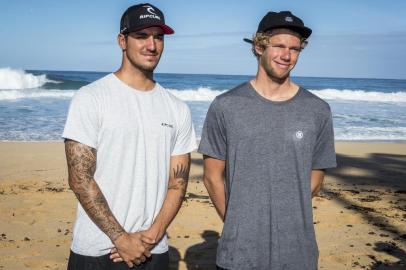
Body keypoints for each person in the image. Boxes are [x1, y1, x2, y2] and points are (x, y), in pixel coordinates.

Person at [198, 10, 337, 270]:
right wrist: (237, 224)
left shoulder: (318, 109)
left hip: (299, 253)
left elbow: (315, 177)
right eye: (279, 46)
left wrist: (288, 216)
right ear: (259, 46)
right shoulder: (226, 106)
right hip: (238, 254)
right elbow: (212, 176)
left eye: (295, 49)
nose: (287, 56)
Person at [63, 3, 196, 269]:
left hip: (153, 249)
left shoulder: (177, 108)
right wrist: (120, 238)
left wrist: (154, 234)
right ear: (122, 41)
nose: (152, 45)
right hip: (97, 249)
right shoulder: (91, 98)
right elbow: (80, 178)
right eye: (141, 36)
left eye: (158, 37)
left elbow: (177, 184)